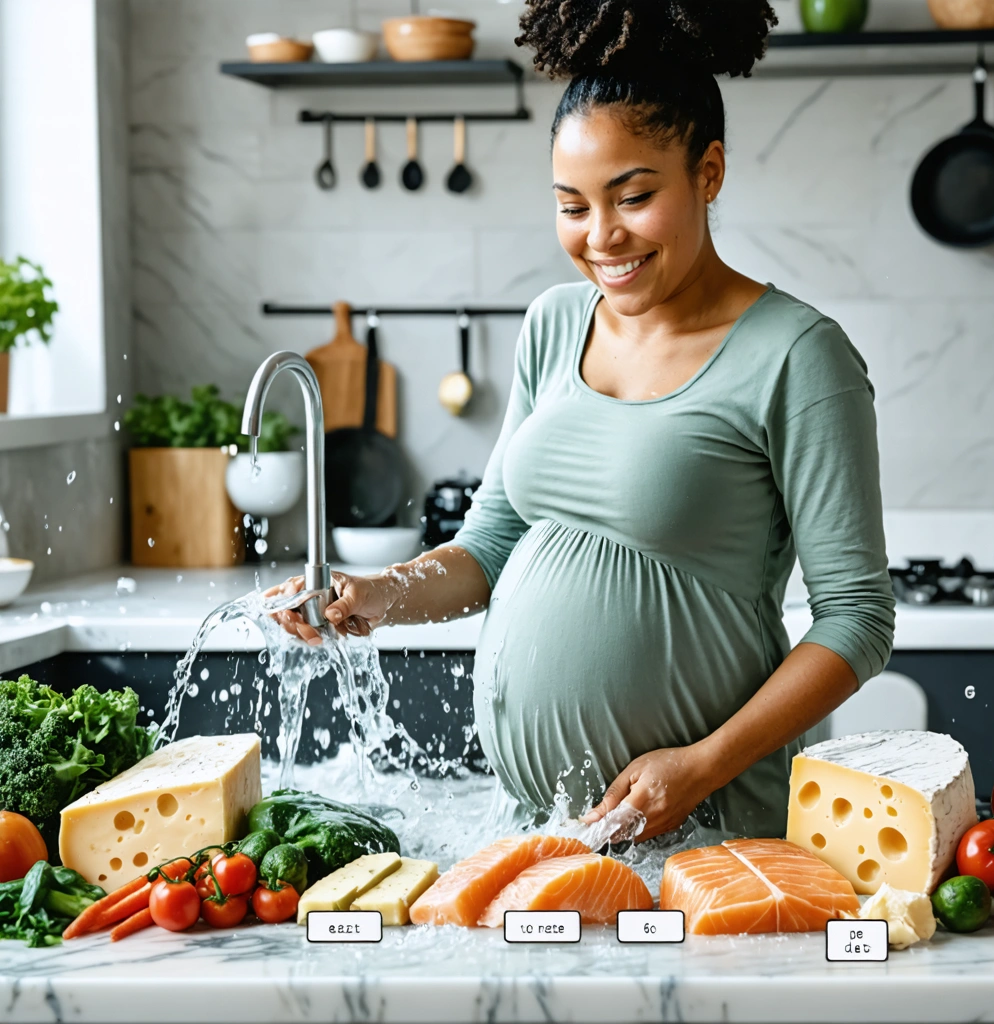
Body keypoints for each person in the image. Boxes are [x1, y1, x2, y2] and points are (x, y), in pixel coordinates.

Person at [268, 0, 895, 842]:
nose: (602, 237)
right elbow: (488, 546)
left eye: (633, 197)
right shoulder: (556, 323)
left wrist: (701, 763)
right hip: (536, 829)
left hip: (708, 829)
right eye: (572, 205)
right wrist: (377, 595)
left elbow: (857, 618)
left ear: (707, 173)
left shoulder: (797, 355)